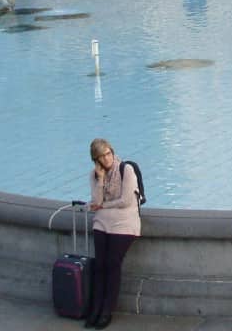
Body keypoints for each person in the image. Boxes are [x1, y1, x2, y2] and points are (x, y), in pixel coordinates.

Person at [86, 138, 141, 329]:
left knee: (112, 263)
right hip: (102, 221)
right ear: (96, 159)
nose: (107, 159)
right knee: (99, 264)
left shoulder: (126, 170)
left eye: (108, 153)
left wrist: (103, 206)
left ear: (112, 151)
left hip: (125, 221)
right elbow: (96, 200)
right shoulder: (94, 175)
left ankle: (107, 310)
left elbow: (126, 201)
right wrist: (100, 179)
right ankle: (95, 308)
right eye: (102, 156)